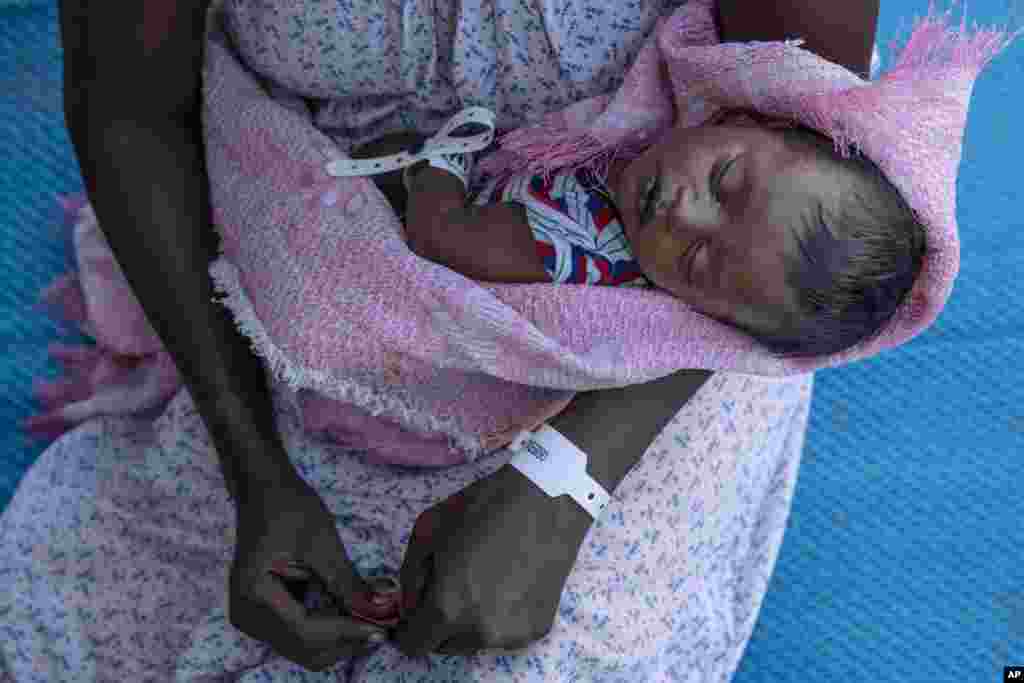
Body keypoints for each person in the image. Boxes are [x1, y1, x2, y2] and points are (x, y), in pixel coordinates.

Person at [0, 0, 874, 679]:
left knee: (536, 655)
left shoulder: (723, 232)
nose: (692, 208)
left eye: (727, 187)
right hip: (306, 258)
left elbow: (821, 193)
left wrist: (563, 483)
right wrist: (257, 473)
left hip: (657, 335)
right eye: (715, 183)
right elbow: (131, 103)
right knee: (164, 604)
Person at [390, 105, 923, 361]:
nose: (681, 213)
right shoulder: (670, 112)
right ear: (758, 121)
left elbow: (440, 238)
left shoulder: (582, 242)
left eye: (694, 259)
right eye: (723, 179)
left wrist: (445, 158)